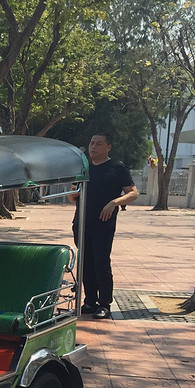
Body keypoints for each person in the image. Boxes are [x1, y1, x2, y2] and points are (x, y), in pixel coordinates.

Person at [73, 132, 138, 320]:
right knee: (85, 263)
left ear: (108, 147)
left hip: (103, 224)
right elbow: (72, 194)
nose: (93, 147)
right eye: (92, 143)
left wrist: (114, 203)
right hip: (81, 222)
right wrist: (73, 192)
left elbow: (133, 193)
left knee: (101, 262)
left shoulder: (116, 168)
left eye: (99, 144)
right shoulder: (83, 167)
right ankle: (89, 301)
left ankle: (104, 304)